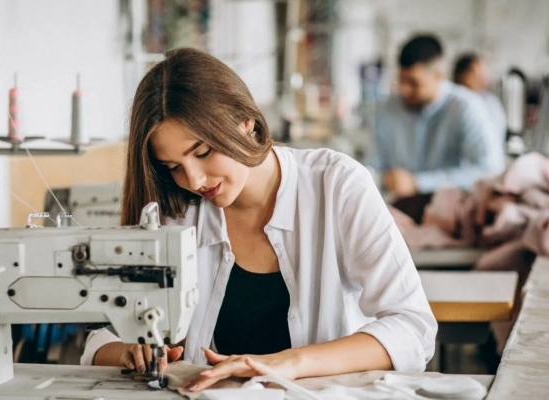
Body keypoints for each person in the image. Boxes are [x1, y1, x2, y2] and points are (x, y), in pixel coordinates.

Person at [81, 48, 436, 392]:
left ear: (245, 121)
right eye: (173, 167)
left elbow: (413, 329)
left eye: (203, 152)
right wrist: (131, 351)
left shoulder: (336, 185)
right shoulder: (178, 209)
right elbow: (103, 335)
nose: (194, 180)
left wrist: (291, 363)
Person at [367, 35, 505, 199]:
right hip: (398, 208)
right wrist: (381, 178)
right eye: (401, 80)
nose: (404, 90)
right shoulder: (388, 109)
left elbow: (489, 171)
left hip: (451, 212)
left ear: (439, 75)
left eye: (413, 83)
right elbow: (372, 165)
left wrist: (418, 183)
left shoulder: (467, 108)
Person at [453, 53, 507, 147]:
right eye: (476, 75)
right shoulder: (452, 103)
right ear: (461, 75)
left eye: (481, 75)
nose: (482, 79)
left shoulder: (490, 102)